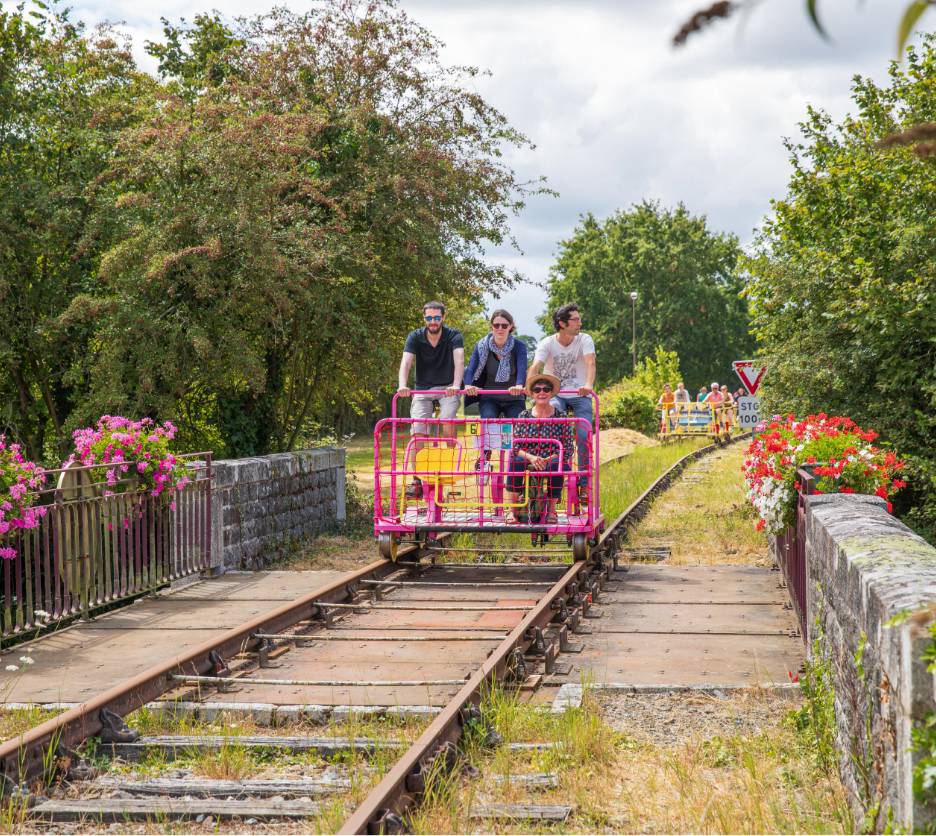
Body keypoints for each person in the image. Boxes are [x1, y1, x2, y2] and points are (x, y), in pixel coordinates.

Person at [397, 301, 464, 496]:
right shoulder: (415, 337)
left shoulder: (453, 335)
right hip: (423, 389)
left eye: (436, 318)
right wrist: (402, 384)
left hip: (447, 388)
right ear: (424, 318)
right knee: (418, 430)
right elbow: (406, 362)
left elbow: (459, 360)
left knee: (447, 420)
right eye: (429, 318)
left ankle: (449, 470)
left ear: (443, 317)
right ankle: (417, 479)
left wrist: (455, 384)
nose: (433, 321)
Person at [528, 303, 595, 497]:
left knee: (583, 435)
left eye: (579, 319)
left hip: (580, 394)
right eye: (575, 320)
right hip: (555, 394)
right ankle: (548, 474)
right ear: (562, 323)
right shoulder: (548, 342)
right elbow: (536, 366)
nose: (580, 323)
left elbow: (591, 362)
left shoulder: (584, 339)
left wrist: (588, 385)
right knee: (551, 427)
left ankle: (583, 484)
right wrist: (528, 388)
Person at [505, 372, 574, 525]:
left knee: (558, 465)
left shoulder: (561, 417)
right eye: (537, 390)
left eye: (546, 389)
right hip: (528, 457)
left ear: (551, 393)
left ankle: (551, 510)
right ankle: (512, 509)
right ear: (532, 394)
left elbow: (568, 448)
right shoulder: (524, 415)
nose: (542, 392)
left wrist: (547, 459)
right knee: (515, 459)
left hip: (551, 459)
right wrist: (531, 457)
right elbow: (515, 445)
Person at [464, 309, 528, 419]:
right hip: (489, 397)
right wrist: (468, 385)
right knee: (488, 419)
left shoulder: (519, 346)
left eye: (504, 325)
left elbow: (522, 368)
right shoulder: (481, 346)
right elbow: (471, 367)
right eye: (496, 325)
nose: (500, 329)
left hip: (514, 398)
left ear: (510, 327)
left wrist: (519, 386)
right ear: (491, 326)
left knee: (517, 422)